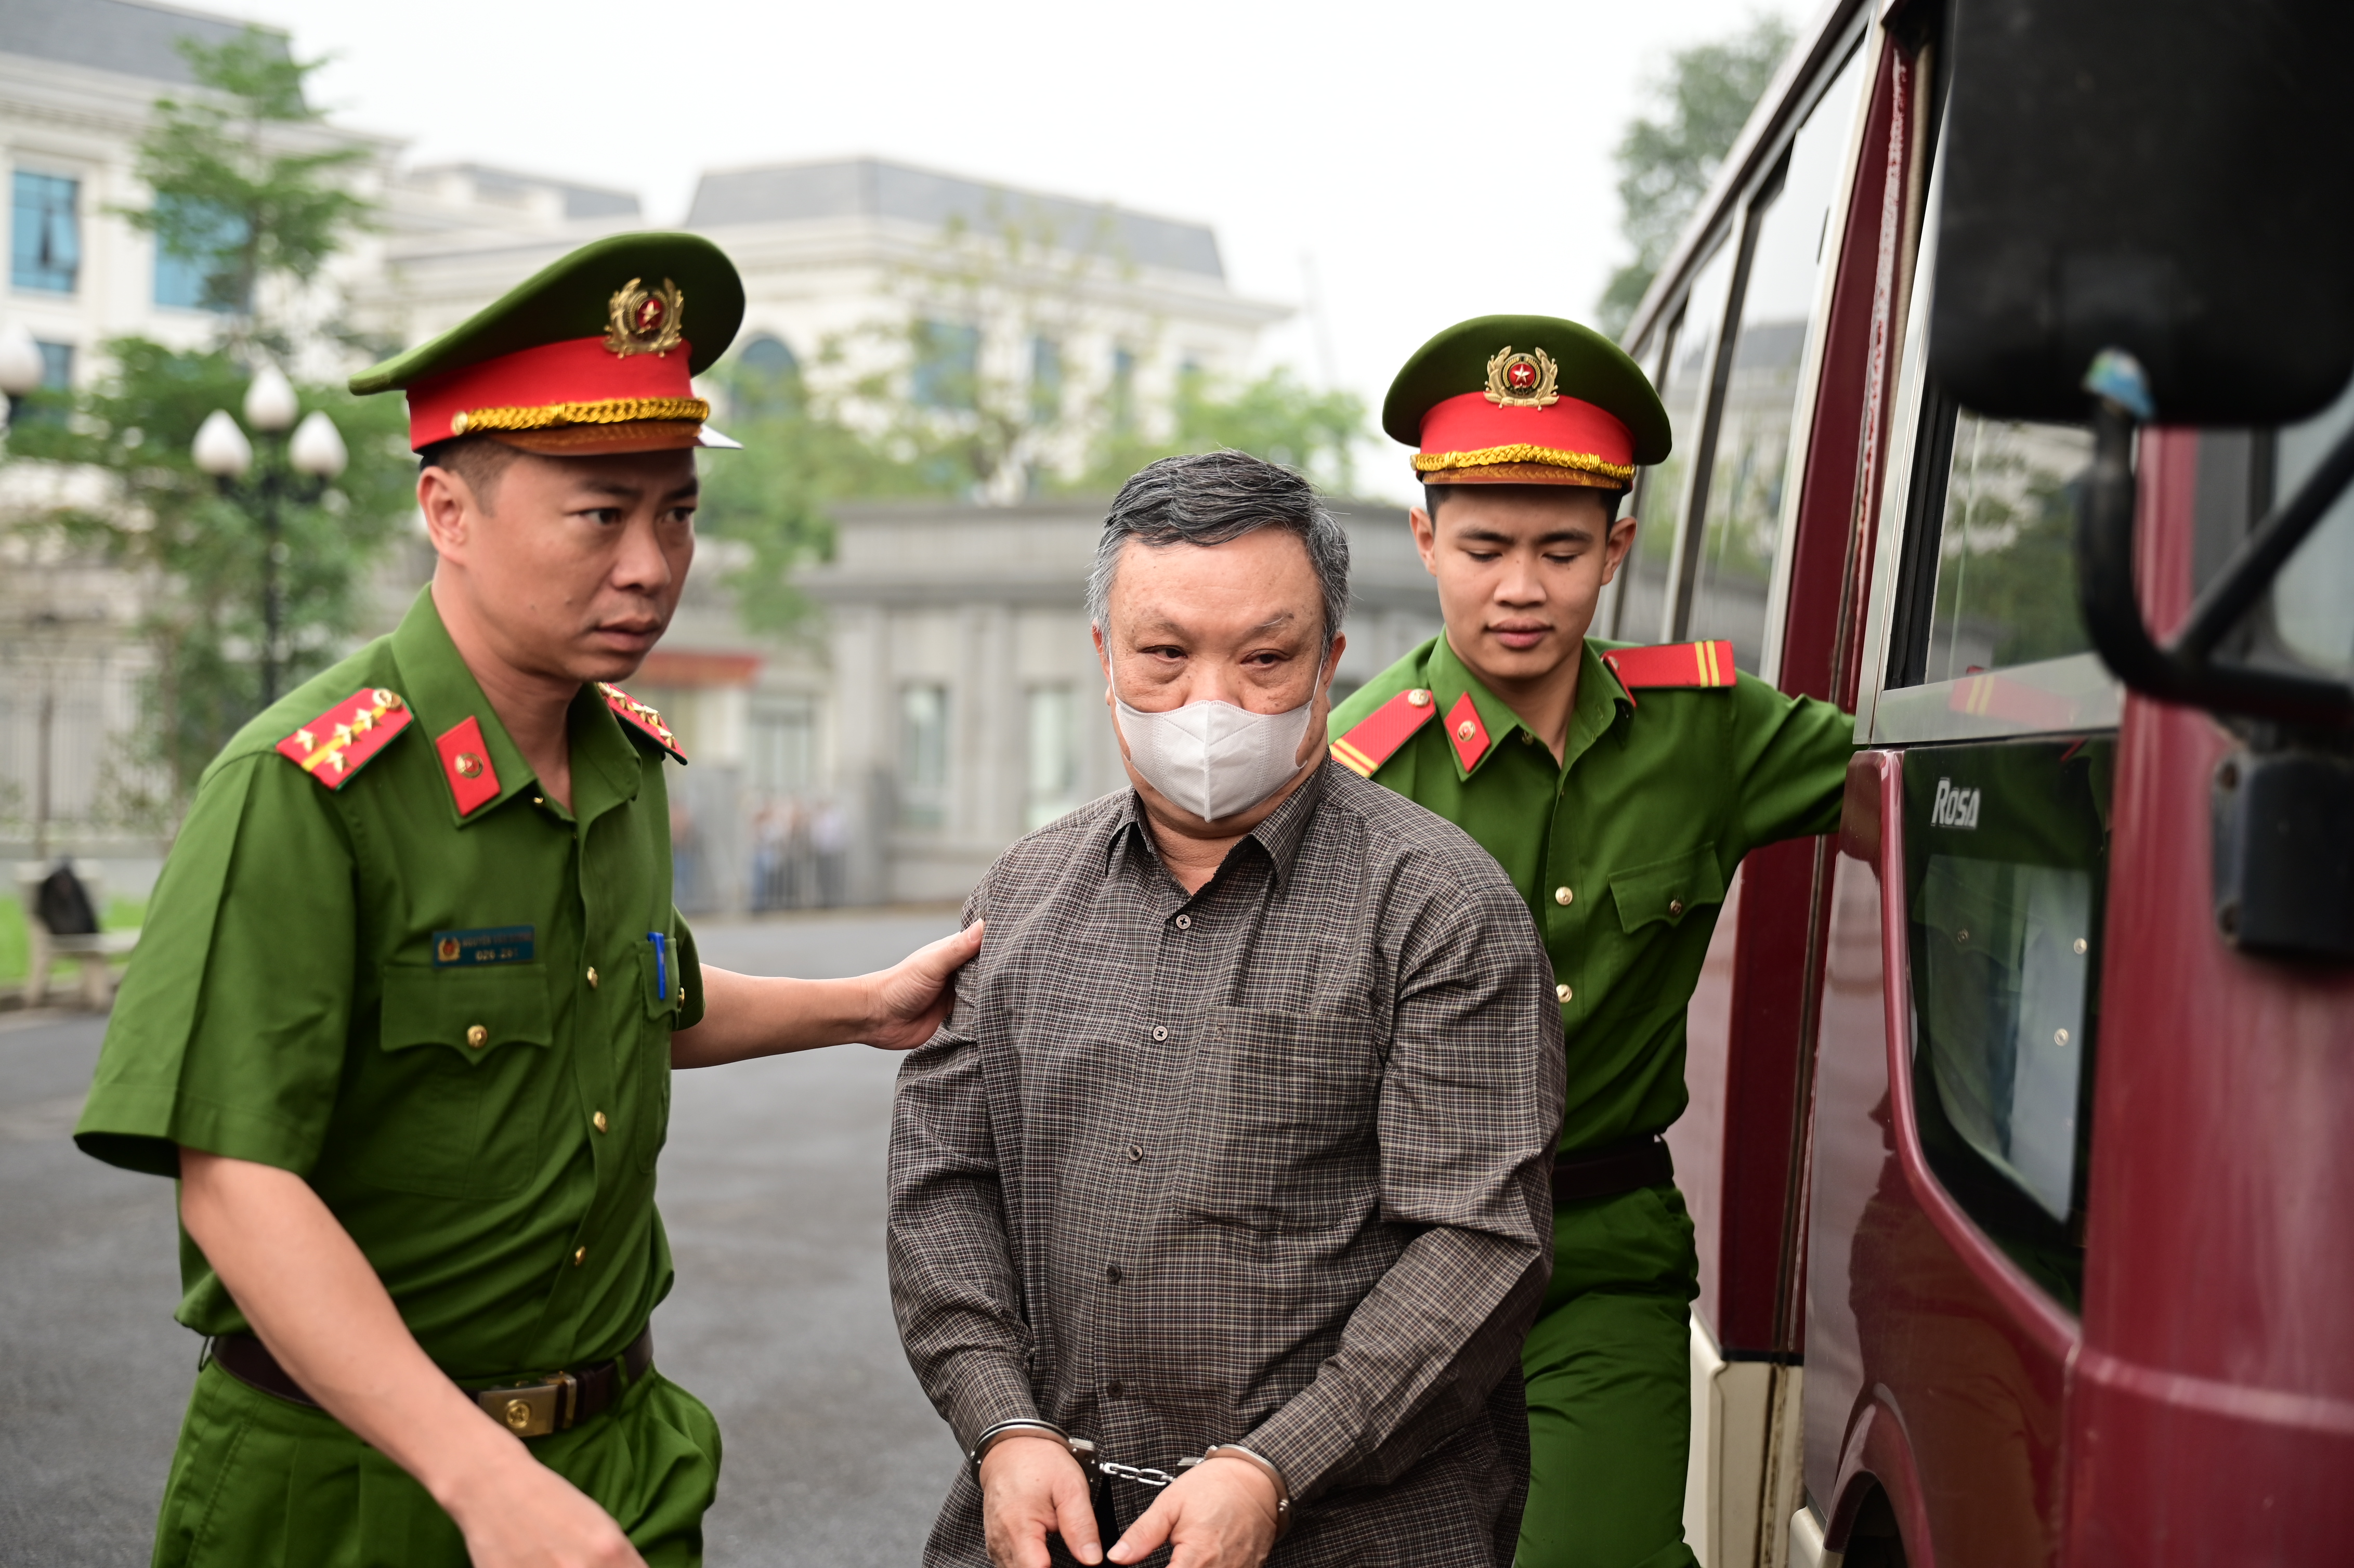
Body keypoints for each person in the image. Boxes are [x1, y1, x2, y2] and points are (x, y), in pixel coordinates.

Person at [72, 232, 982, 1568]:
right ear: (447, 511)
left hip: (616, 1462)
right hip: (358, 1488)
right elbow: (234, 1178)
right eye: (600, 514)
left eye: (676, 513)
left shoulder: (619, 762)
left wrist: (862, 1005)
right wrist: (481, 1478)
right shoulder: (306, 788)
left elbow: (634, 999)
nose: (652, 564)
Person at [889, 451, 1566, 1568]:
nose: (1210, 703)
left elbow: (1479, 1241)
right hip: (1053, 1521)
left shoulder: (1440, 908)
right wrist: (1001, 1424)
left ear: (1329, 659)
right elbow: (944, 1184)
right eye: (1164, 654)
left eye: (1263, 658)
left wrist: (1274, 1465)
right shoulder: (1019, 897)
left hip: (1357, 1531)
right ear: (1105, 654)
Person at [1326, 315, 1854, 1568]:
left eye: (1559, 548)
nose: (1520, 587)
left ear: (1615, 547)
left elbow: (1920, 768)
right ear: (1424, 542)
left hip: (1601, 1253)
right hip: (1389, 1262)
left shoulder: (1708, 730)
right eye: (1483, 547)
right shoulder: (1353, 778)